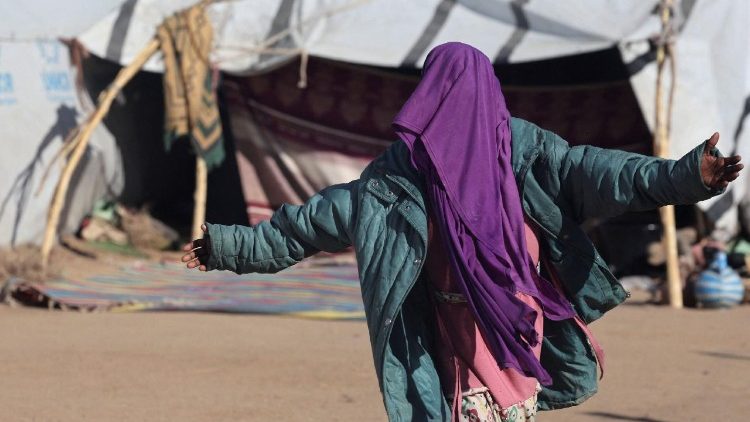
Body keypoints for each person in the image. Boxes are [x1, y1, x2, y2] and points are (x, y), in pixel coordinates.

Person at [181, 43, 742, 421]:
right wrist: (227, 246)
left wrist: (685, 176)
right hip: (444, 345)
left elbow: (608, 173)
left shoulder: (524, 155)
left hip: (516, 336)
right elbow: (304, 227)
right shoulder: (396, 183)